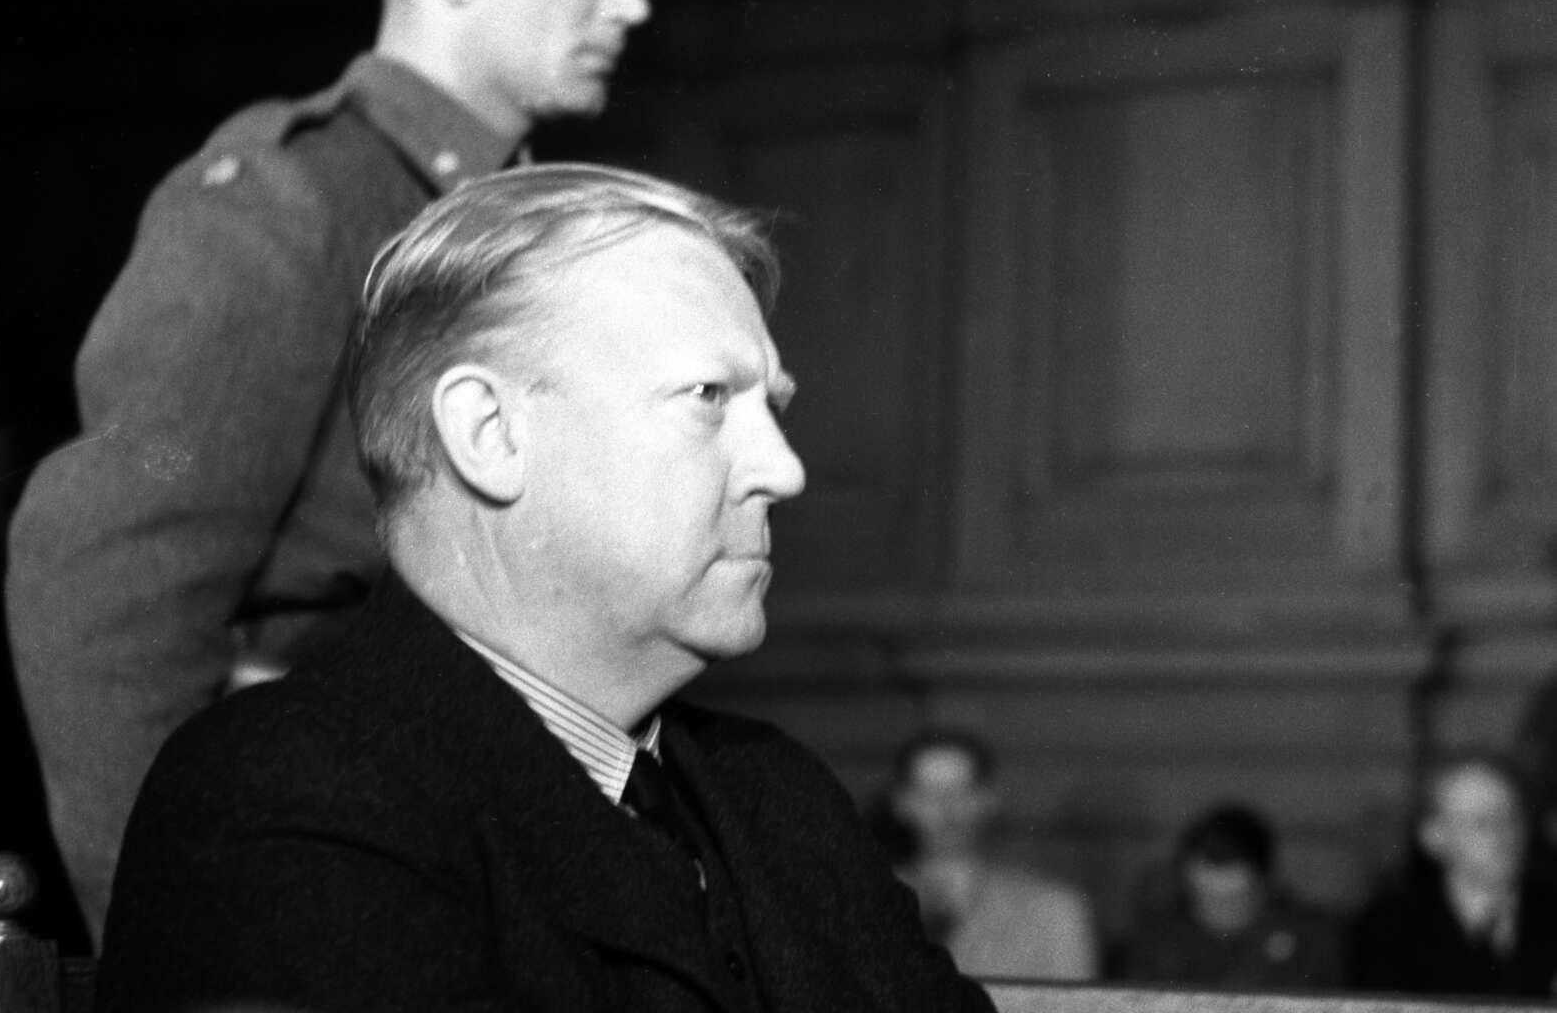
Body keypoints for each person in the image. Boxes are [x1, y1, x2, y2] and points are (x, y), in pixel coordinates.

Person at [4, 0, 654, 948]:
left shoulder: (527, 227)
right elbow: (106, 586)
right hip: (319, 851)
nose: (633, 1)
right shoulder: (292, 198)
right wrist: (188, 935)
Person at [96, 163, 996, 1012]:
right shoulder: (288, 793)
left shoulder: (778, 795)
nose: (785, 470)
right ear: (488, 433)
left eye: (775, 407)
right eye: (709, 396)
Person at [882, 728, 1098, 981]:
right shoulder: (864, 904)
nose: (947, 810)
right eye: (927, 793)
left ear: (989, 798)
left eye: (963, 791)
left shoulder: (1054, 911)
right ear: (901, 802)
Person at [1349, 751, 1557, 997]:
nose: (1503, 834)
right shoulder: (1388, 932)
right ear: (1433, 836)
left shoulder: (1549, 913)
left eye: (1512, 816)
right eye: (1481, 822)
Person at [1120, 802, 1344, 989]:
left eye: (1233, 898)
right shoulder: (1159, 939)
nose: (1219, 906)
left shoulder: (1311, 940)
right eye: (1206, 895)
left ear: (1263, 883)